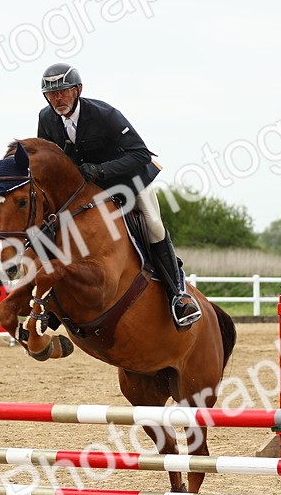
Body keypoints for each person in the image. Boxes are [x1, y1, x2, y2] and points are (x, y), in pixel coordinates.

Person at [35, 63, 201, 329]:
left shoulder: (104, 114)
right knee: (48, 226)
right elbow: (49, 160)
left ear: (78, 90)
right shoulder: (46, 118)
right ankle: (53, 301)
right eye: (51, 94)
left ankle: (178, 296)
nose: (57, 99)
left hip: (129, 179)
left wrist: (100, 170)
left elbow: (140, 155)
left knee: (153, 225)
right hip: (88, 189)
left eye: (63, 91)